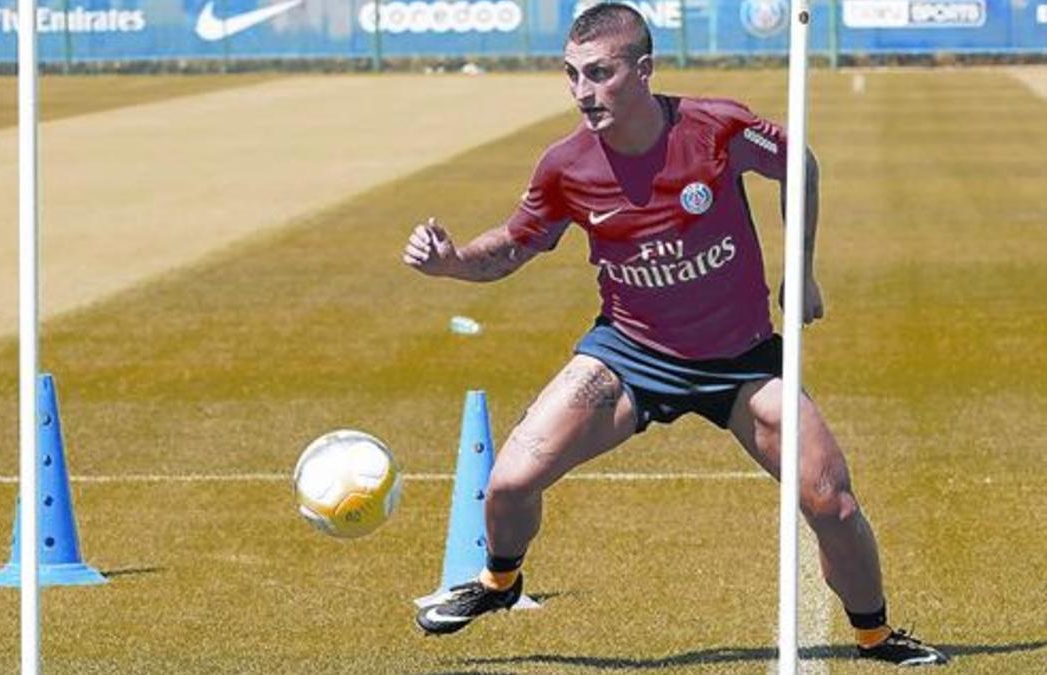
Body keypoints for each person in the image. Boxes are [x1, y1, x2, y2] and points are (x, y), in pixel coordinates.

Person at [401, 2, 948, 667]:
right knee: (512, 481)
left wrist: (799, 271)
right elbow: (514, 245)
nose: (582, 92)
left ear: (644, 70)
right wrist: (451, 261)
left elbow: (798, 162)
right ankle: (497, 583)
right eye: (571, 74)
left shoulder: (716, 127)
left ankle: (876, 636)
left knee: (831, 503)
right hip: (629, 356)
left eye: (599, 73)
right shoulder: (565, 165)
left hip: (742, 360)